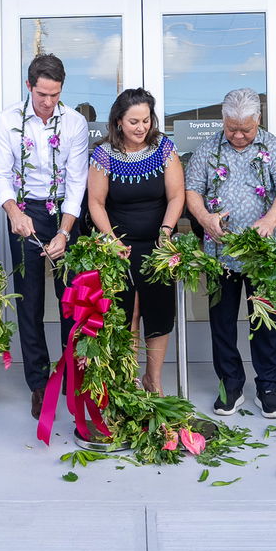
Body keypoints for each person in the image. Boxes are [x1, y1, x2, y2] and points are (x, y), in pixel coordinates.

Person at [183, 88, 276, 418]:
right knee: (222, 323)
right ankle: (230, 385)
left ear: (257, 120)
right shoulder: (208, 149)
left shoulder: (273, 147)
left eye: (244, 129)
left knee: (266, 321)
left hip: (264, 254)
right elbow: (192, 190)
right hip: (220, 253)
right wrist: (205, 218)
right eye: (231, 127)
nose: (236, 135)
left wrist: (270, 220)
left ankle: (268, 387)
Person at [0, 54, 90, 419]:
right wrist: (14, 213)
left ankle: (72, 378)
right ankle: (38, 383)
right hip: (24, 211)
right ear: (29, 86)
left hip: (65, 212)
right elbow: (0, 173)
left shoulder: (76, 123)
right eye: (42, 94)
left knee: (71, 301)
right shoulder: (7, 120)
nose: (48, 102)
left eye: (55, 95)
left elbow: (78, 180)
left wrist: (65, 230)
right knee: (29, 302)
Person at [87, 88, 185, 394]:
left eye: (146, 120)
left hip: (157, 246)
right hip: (120, 248)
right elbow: (96, 203)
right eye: (134, 122)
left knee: (157, 311)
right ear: (118, 122)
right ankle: (127, 378)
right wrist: (111, 240)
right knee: (127, 310)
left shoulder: (164, 148)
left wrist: (167, 230)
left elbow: (176, 195)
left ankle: (153, 379)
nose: (141, 127)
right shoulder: (103, 155)